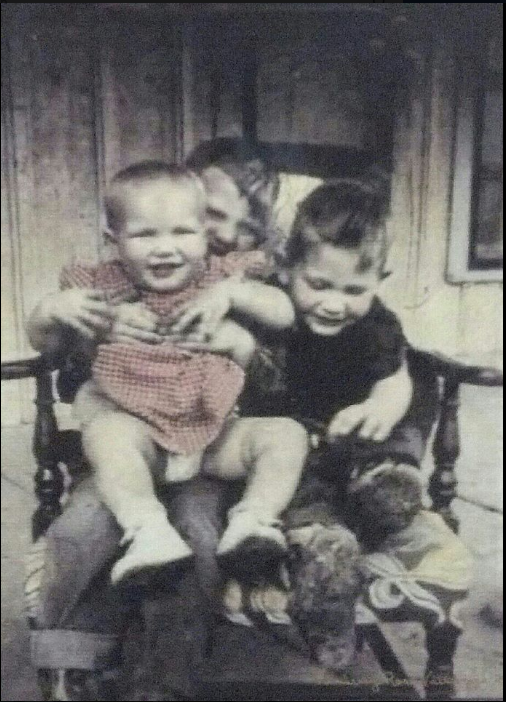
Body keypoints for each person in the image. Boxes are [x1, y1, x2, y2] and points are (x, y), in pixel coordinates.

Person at [26, 160, 308, 586]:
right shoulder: (100, 286)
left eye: (182, 232)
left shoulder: (219, 276)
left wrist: (232, 295)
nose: (165, 248)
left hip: (214, 437)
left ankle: (253, 522)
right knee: (106, 435)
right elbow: (44, 342)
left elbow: (285, 313)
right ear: (114, 240)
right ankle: (148, 530)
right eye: (145, 234)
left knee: (287, 434)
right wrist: (50, 310)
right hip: (144, 446)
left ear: (204, 234)